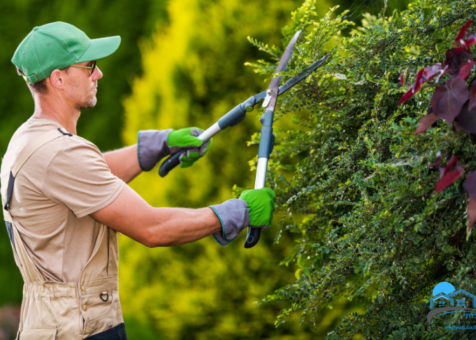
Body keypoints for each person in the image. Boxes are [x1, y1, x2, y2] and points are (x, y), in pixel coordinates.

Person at [1, 22, 275, 340]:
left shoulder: (30, 140)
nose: (98, 74)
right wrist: (236, 212)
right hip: (81, 330)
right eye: (89, 66)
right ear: (58, 78)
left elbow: (90, 176)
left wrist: (159, 144)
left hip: (54, 325)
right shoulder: (60, 152)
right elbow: (152, 228)